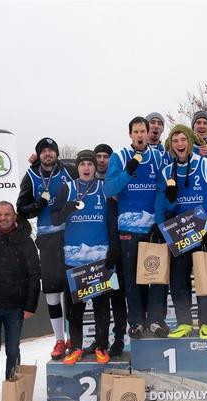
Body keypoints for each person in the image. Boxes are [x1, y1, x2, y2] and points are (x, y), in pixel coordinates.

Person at [51, 150, 120, 364]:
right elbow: (54, 219)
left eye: (90, 164)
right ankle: (77, 347)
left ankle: (101, 345)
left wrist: (114, 250)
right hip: (74, 259)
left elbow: (112, 222)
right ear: (78, 167)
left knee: (101, 306)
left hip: (100, 258)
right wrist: (66, 210)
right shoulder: (67, 188)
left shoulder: (104, 189)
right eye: (83, 164)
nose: (87, 168)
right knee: (75, 309)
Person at [103, 116, 169, 338]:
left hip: (153, 228)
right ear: (130, 134)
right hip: (128, 230)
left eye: (143, 131)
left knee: (157, 276)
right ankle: (137, 322)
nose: (140, 135)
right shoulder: (120, 156)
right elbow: (109, 188)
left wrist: (159, 222)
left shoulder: (159, 157)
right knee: (132, 279)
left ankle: (156, 321)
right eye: (136, 132)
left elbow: (162, 189)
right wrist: (128, 171)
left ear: (148, 133)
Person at [157, 125, 207, 339]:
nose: (179, 144)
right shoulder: (167, 171)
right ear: (171, 145)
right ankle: (184, 322)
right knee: (178, 281)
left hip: (203, 232)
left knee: (205, 279)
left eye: (183, 139)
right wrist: (170, 198)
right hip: (179, 234)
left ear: (190, 141)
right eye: (175, 140)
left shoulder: (206, 165)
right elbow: (163, 206)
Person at [0, 202, 40, 401]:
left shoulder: (25, 241)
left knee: (13, 350)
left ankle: (13, 387)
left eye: (7, 214)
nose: (2, 218)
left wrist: (30, 304)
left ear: (14, 217)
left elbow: (34, 274)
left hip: (15, 306)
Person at [16, 137, 72, 359]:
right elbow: (22, 209)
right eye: (44, 151)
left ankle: (72, 337)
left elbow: (90, 171)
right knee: (51, 292)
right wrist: (38, 205)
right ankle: (58, 339)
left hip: (70, 236)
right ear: (38, 155)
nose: (48, 154)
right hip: (47, 239)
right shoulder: (30, 176)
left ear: (57, 154)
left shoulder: (69, 170)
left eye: (52, 151)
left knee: (71, 291)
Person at [94, 142, 127, 354]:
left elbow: (115, 217)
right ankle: (100, 340)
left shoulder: (115, 182)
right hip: (94, 249)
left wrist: (115, 246)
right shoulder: (85, 183)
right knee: (100, 300)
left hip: (116, 248)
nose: (102, 160)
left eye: (106, 156)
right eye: (99, 156)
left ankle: (119, 338)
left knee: (117, 295)